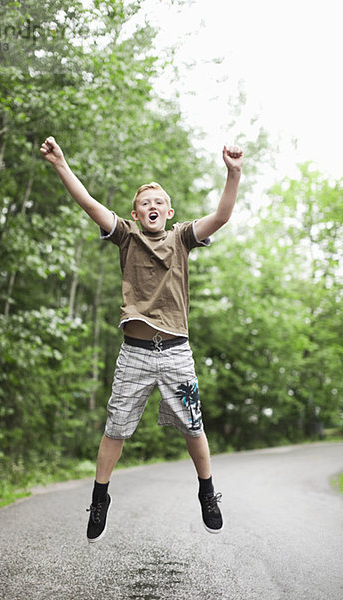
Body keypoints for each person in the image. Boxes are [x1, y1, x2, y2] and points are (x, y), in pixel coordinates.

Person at [40, 136, 243, 542]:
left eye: (159, 202)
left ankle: (206, 491)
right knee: (115, 428)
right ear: (135, 213)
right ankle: (100, 498)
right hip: (134, 354)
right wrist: (61, 164)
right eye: (144, 203)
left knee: (193, 425)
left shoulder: (183, 238)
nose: (152, 207)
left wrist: (233, 173)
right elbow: (89, 204)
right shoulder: (127, 236)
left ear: (169, 212)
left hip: (176, 354)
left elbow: (220, 216)